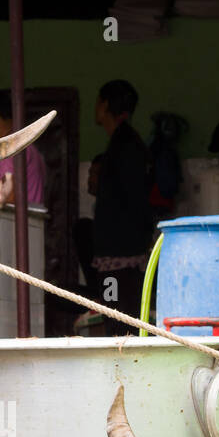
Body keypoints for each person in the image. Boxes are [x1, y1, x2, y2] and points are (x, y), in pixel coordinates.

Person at [87, 79, 154, 336]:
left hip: (123, 253)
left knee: (121, 320)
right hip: (121, 250)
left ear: (105, 105)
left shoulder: (126, 145)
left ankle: (124, 369)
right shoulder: (124, 142)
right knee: (117, 314)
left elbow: (132, 197)